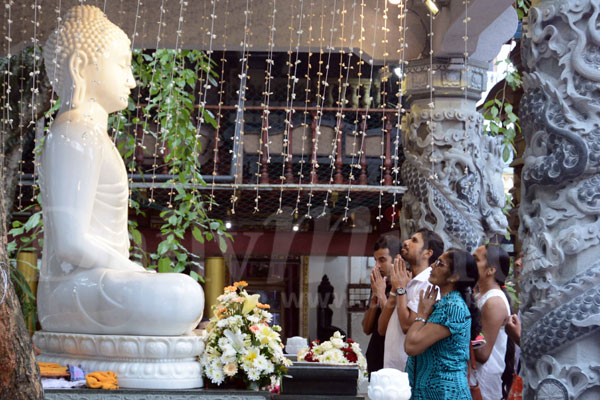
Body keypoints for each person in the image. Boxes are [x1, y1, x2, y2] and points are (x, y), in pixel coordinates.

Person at [38, 5, 204, 336]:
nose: (131, 80)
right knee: (181, 295)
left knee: (182, 294)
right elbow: (71, 244)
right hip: (73, 289)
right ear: (80, 67)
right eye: (122, 65)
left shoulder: (89, 133)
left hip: (97, 281)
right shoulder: (75, 133)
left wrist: (131, 272)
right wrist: (132, 270)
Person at [405, 249, 481, 400]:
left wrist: (421, 314)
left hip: (444, 392)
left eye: (440, 263)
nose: (432, 265)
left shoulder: (452, 307)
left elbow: (411, 346)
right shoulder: (444, 304)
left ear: (455, 276)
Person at [378, 229, 444, 371]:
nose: (406, 242)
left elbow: (407, 326)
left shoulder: (428, 282)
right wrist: (391, 291)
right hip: (392, 367)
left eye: (414, 241)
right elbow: (382, 328)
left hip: (409, 369)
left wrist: (401, 288)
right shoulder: (406, 279)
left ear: (428, 253)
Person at [472, 244, 515, 399]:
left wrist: (466, 332)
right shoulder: (482, 296)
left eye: (476, 259)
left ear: (490, 270)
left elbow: (482, 352)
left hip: (484, 382)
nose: (470, 263)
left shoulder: (494, 301)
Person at [362, 235, 400, 377]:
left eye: (382, 260)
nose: (377, 265)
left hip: (393, 361)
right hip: (375, 355)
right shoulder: (379, 285)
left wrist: (382, 295)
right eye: (375, 260)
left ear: (396, 259)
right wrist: (375, 295)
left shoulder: (404, 285)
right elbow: (366, 328)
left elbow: (394, 323)